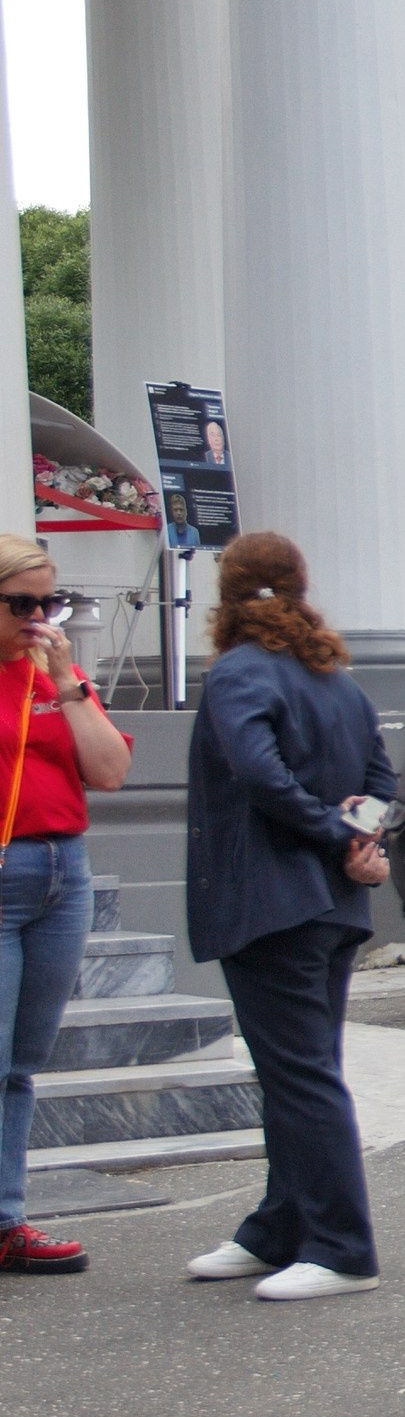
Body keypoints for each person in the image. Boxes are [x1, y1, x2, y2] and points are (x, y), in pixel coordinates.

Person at [182, 533, 397, 1301]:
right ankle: (278, 1227)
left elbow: (258, 775)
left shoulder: (238, 671)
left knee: (299, 1077)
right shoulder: (333, 676)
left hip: (270, 902)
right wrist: (358, 834)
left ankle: (341, 1246)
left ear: (228, 592)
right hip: (331, 905)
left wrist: (340, 834)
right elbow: (382, 778)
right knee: (299, 1072)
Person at [0, 537, 133, 1277]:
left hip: (60, 870)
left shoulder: (53, 674)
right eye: (21, 604)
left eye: (49, 603)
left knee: (21, 1061)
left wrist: (68, 685)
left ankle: (6, 1218)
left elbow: (110, 770)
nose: (39, 618)